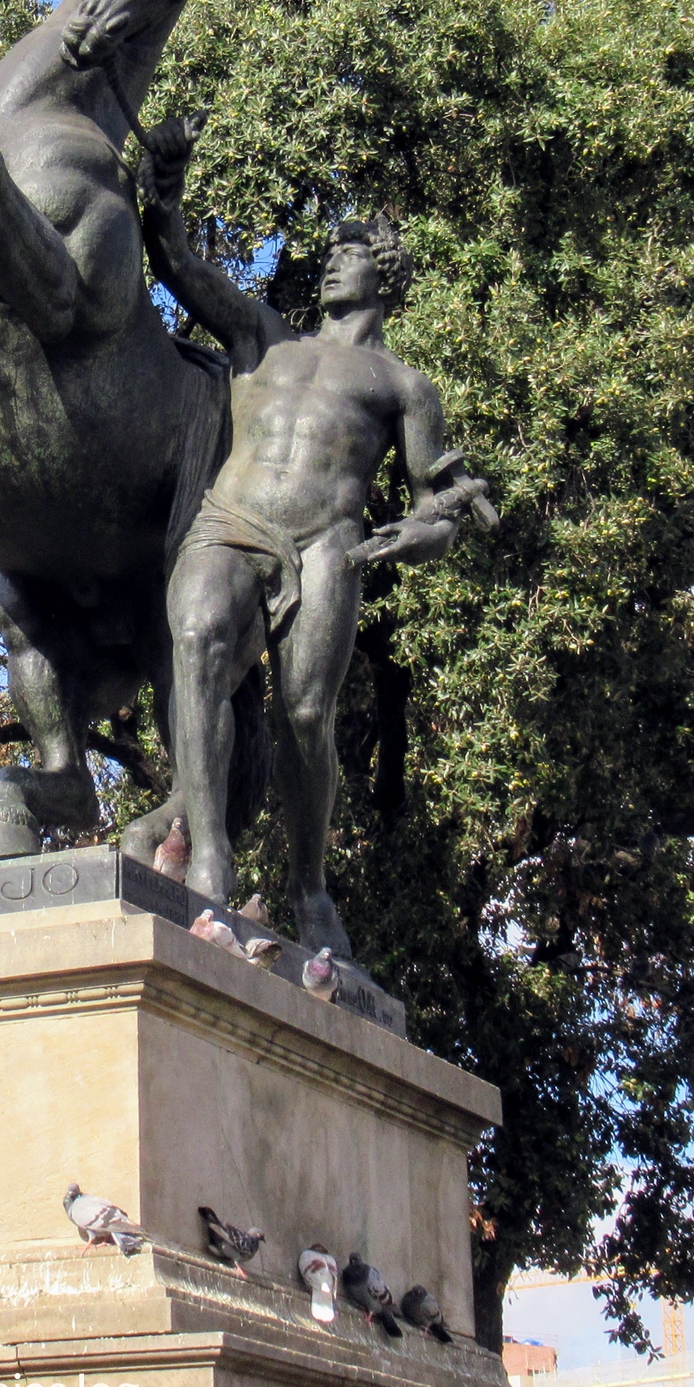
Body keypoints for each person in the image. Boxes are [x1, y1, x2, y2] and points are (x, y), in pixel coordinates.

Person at [139, 149, 492, 953]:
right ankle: (209, 862)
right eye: (331, 253)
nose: (333, 263)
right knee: (196, 638)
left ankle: (310, 888)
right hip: (231, 522)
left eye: (352, 254)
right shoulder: (265, 335)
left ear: (385, 276)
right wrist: (165, 200)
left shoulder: (402, 385)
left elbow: (435, 507)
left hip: (328, 545)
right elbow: (181, 266)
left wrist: (421, 533)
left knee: (305, 715)